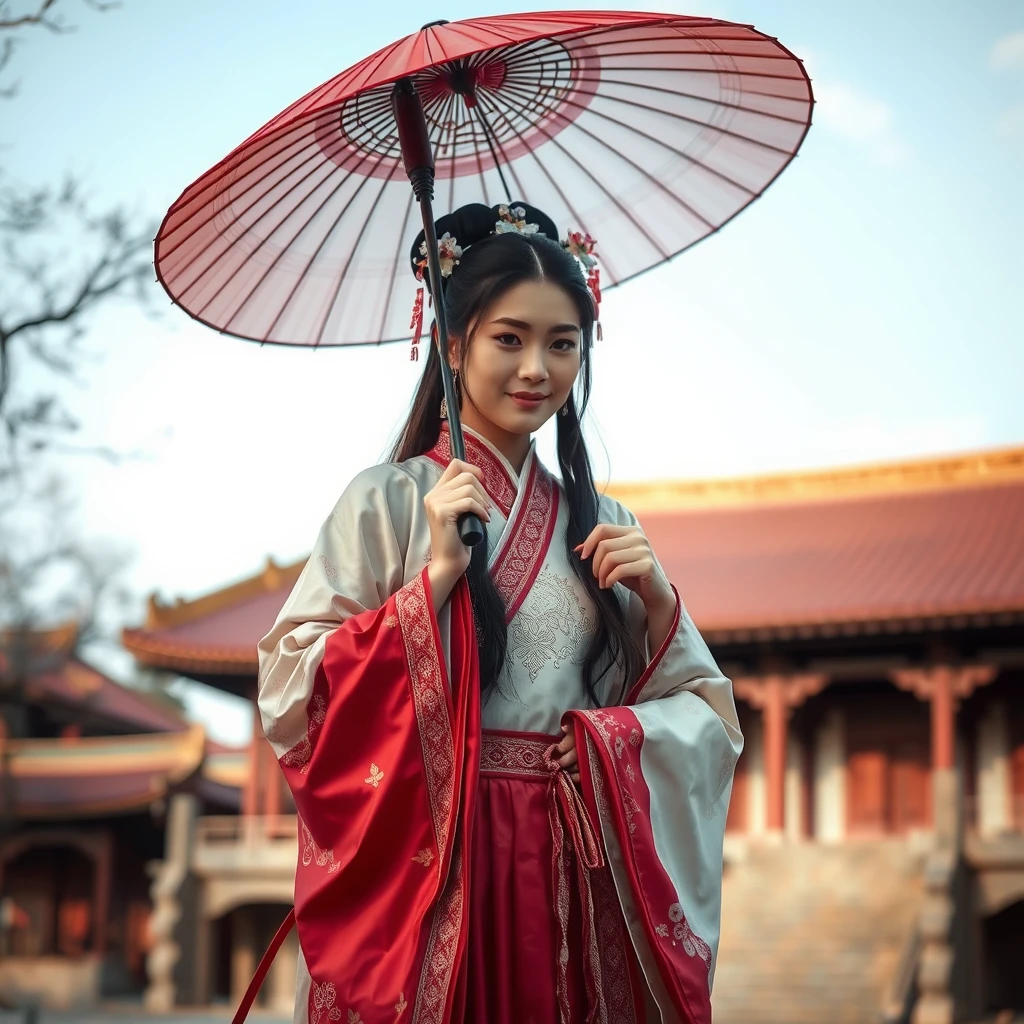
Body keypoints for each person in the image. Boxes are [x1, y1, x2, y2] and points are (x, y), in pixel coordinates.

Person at [255, 202, 743, 1024]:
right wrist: (432, 583)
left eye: (561, 344)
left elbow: (708, 716)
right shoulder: (388, 501)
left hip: (568, 862)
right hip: (432, 854)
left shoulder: (606, 523)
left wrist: (655, 612)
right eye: (508, 339)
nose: (536, 369)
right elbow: (289, 688)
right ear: (453, 345)